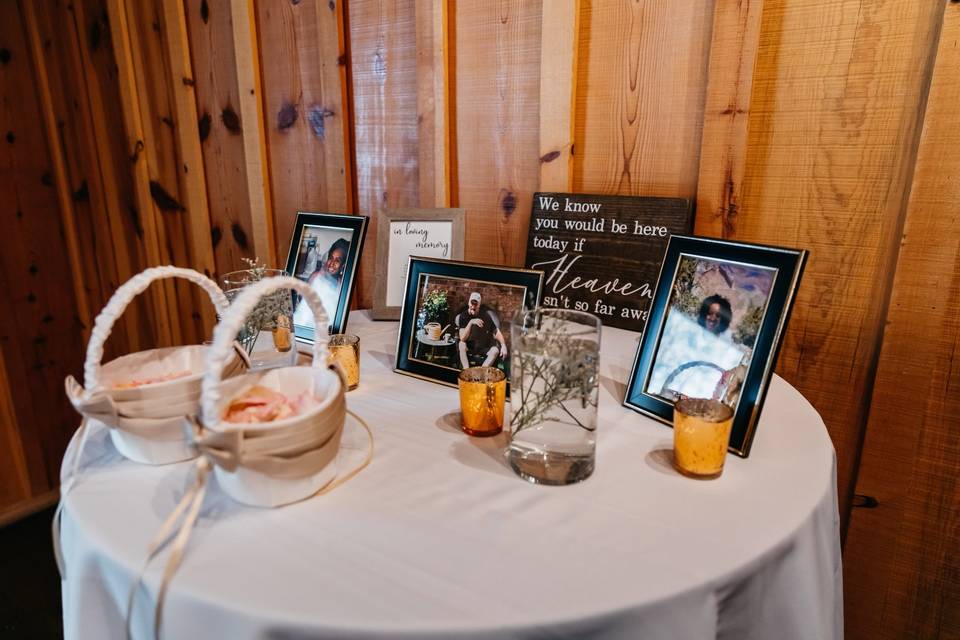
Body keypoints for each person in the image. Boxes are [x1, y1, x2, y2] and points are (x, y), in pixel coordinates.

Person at [293, 237, 350, 328]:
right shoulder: (316, 276)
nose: (331, 263)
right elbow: (302, 301)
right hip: (302, 324)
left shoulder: (343, 286)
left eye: (337, 261)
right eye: (331, 258)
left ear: (343, 265)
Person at [453, 292, 507, 369]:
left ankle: (481, 372)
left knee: (495, 350)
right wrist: (471, 322)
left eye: (476, 304)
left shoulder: (485, 315)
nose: (473, 306)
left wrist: (503, 345)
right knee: (461, 344)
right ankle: (466, 371)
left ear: (479, 305)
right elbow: (462, 338)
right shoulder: (463, 316)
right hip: (469, 347)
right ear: (469, 303)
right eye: (472, 303)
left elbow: (496, 331)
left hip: (482, 347)